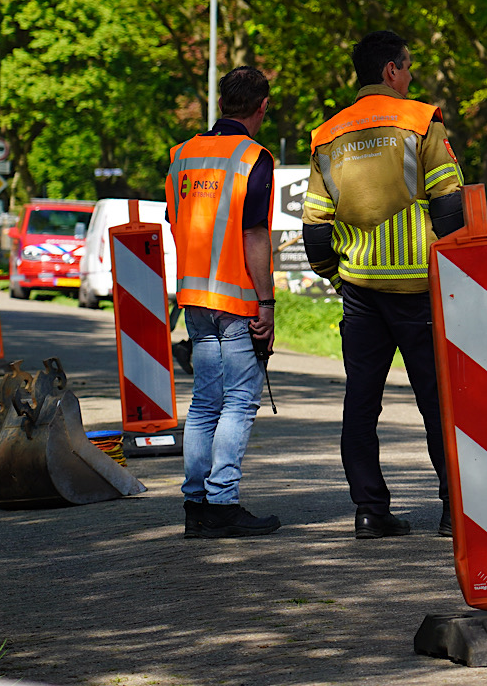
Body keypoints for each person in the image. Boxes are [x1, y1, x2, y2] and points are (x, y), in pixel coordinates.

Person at [302, 30, 465, 539]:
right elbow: (449, 205)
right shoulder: (420, 120)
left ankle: (370, 511)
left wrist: (338, 276)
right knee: (438, 403)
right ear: (392, 70)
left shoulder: (327, 135)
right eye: (408, 65)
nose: (411, 74)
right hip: (420, 289)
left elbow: (315, 228)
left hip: (361, 292)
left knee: (361, 403)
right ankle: (451, 510)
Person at [169, 66, 282, 539]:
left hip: (195, 298)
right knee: (238, 402)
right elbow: (254, 235)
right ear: (262, 107)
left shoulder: (182, 155)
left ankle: (196, 504)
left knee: (203, 404)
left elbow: (175, 219)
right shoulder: (253, 158)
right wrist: (267, 302)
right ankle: (223, 502)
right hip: (236, 300)